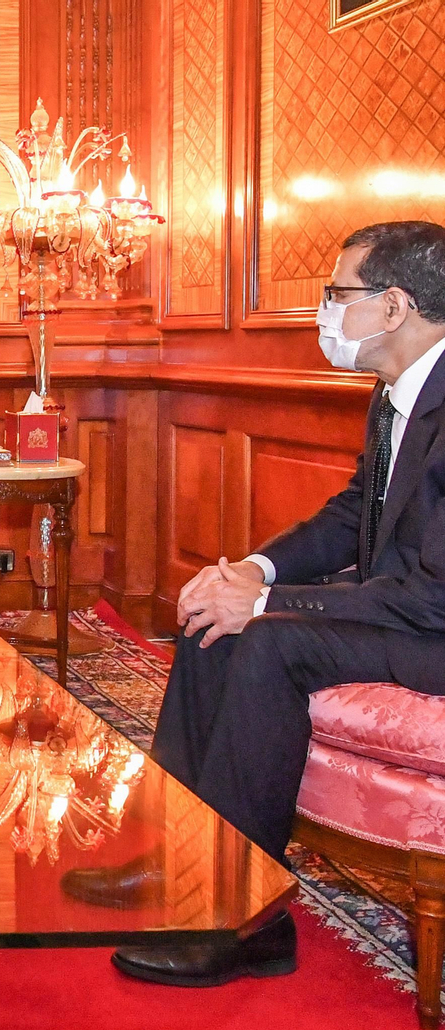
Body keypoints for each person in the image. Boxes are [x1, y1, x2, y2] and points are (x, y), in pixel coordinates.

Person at [67, 221, 445, 989]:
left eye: (338, 294)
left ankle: (244, 917)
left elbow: (430, 594)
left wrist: (268, 601)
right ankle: (181, 858)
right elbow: (352, 514)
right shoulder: (395, 391)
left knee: (269, 641)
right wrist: (250, 568)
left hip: (435, 622)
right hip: (404, 602)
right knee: (215, 625)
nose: (326, 312)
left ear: (396, 306)